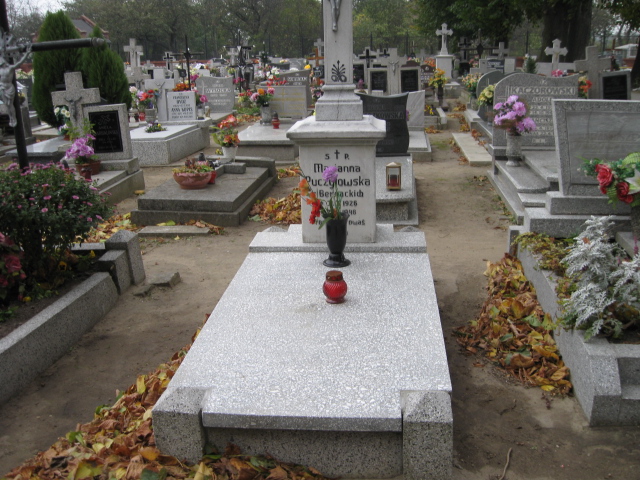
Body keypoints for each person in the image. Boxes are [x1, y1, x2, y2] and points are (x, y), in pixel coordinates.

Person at [0, 42, 31, 127]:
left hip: (9, 87)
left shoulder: (10, 68)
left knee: (10, 104)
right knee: (7, 105)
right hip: (2, 87)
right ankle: (11, 118)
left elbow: (19, 63)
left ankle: (13, 118)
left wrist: (27, 53)